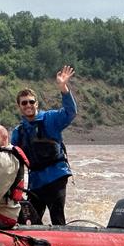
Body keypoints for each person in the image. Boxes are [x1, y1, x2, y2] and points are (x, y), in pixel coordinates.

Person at [11, 65, 77, 225]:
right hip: (36, 181)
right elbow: (13, 160)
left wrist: (63, 87)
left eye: (31, 102)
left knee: (57, 215)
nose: (28, 105)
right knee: (29, 220)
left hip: (56, 176)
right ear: (19, 107)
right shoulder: (18, 132)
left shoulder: (51, 119)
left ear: (36, 103)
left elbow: (70, 112)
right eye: (24, 103)